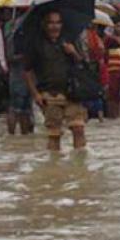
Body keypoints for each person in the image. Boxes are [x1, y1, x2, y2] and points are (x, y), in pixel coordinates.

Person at [23, 11, 89, 151]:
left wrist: (73, 52)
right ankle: (53, 166)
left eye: (58, 22)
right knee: (54, 134)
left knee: (78, 128)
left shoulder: (71, 41)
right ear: (44, 25)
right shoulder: (36, 44)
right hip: (49, 94)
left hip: (72, 92)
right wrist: (35, 94)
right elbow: (27, 71)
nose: (55, 26)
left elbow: (83, 64)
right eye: (51, 23)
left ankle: (80, 166)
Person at [79, 22, 109, 121]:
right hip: (91, 68)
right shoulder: (92, 36)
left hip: (89, 68)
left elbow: (100, 50)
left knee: (90, 94)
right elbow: (101, 50)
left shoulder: (89, 36)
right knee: (94, 94)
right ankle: (97, 119)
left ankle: (88, 118)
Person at [104, 17, 120, 119]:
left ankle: (116, 117)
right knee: (111, 95)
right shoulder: (109, 39)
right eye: (118, 26)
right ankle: (112, 116)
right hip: (110, 71)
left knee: (118, 95)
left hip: (119, 71)